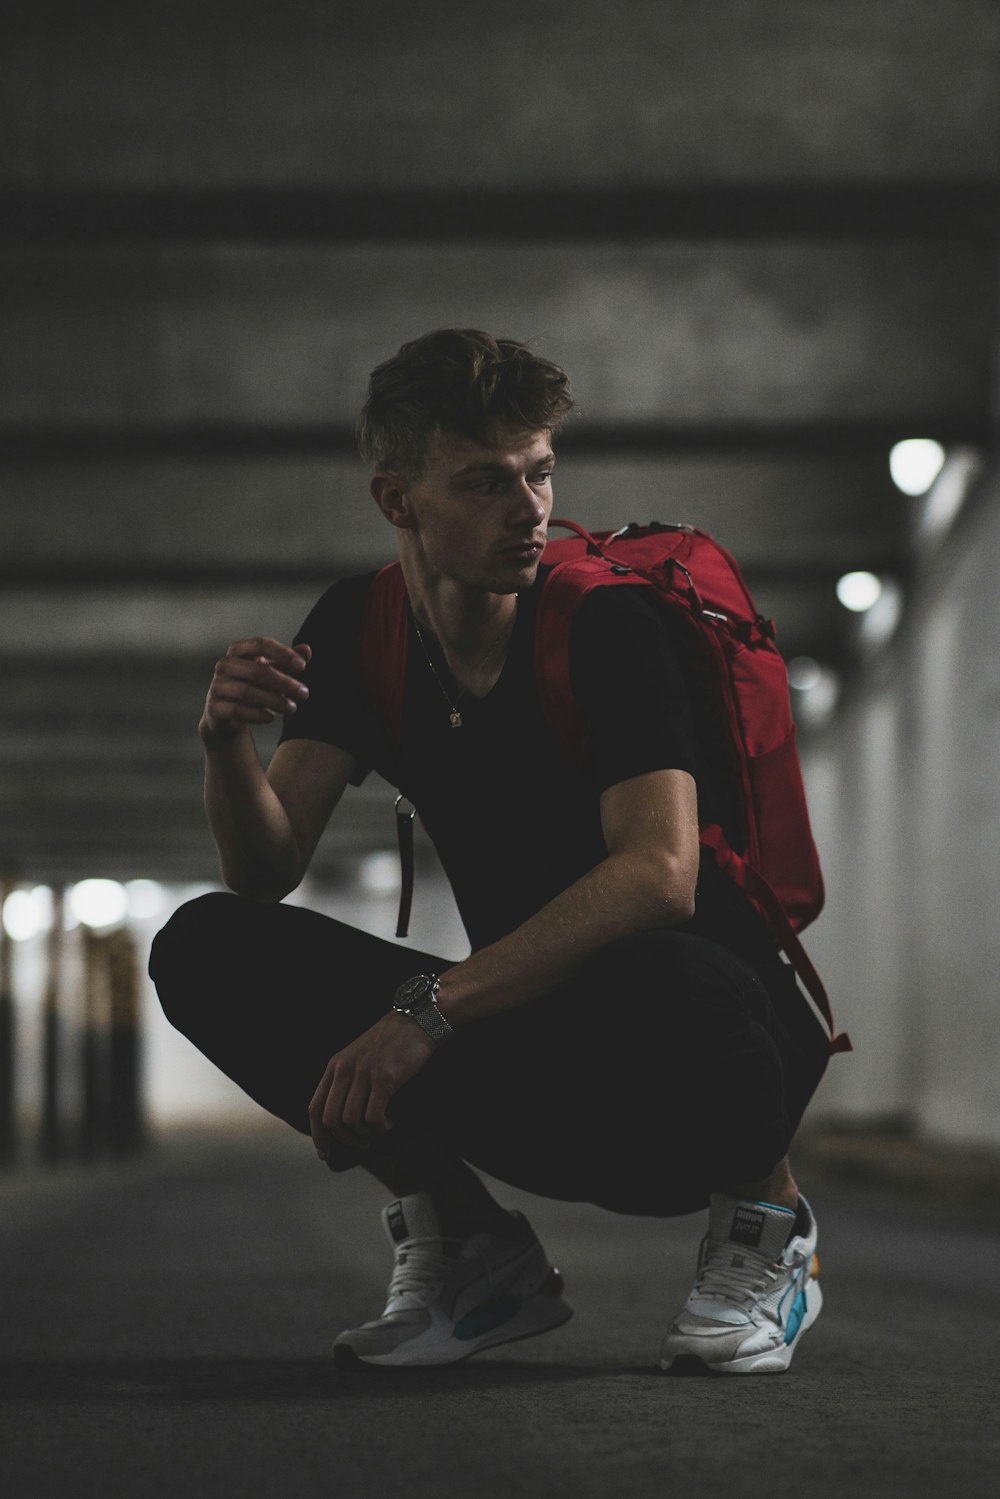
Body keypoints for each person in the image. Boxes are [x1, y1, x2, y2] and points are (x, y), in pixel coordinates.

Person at [149, 328, 831, 1375]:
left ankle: (765, 1224)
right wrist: (224, 747)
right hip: (531, 1038)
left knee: (663, 964)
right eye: (484, 483)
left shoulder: (607, 625)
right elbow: (263, 870)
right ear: (397, 499)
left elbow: (659, 875)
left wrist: (420, 1014)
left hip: (705, 1064)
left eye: (539, 470)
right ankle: (472, 1250)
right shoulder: (359, 625)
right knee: (204, 943)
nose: (529, 508)